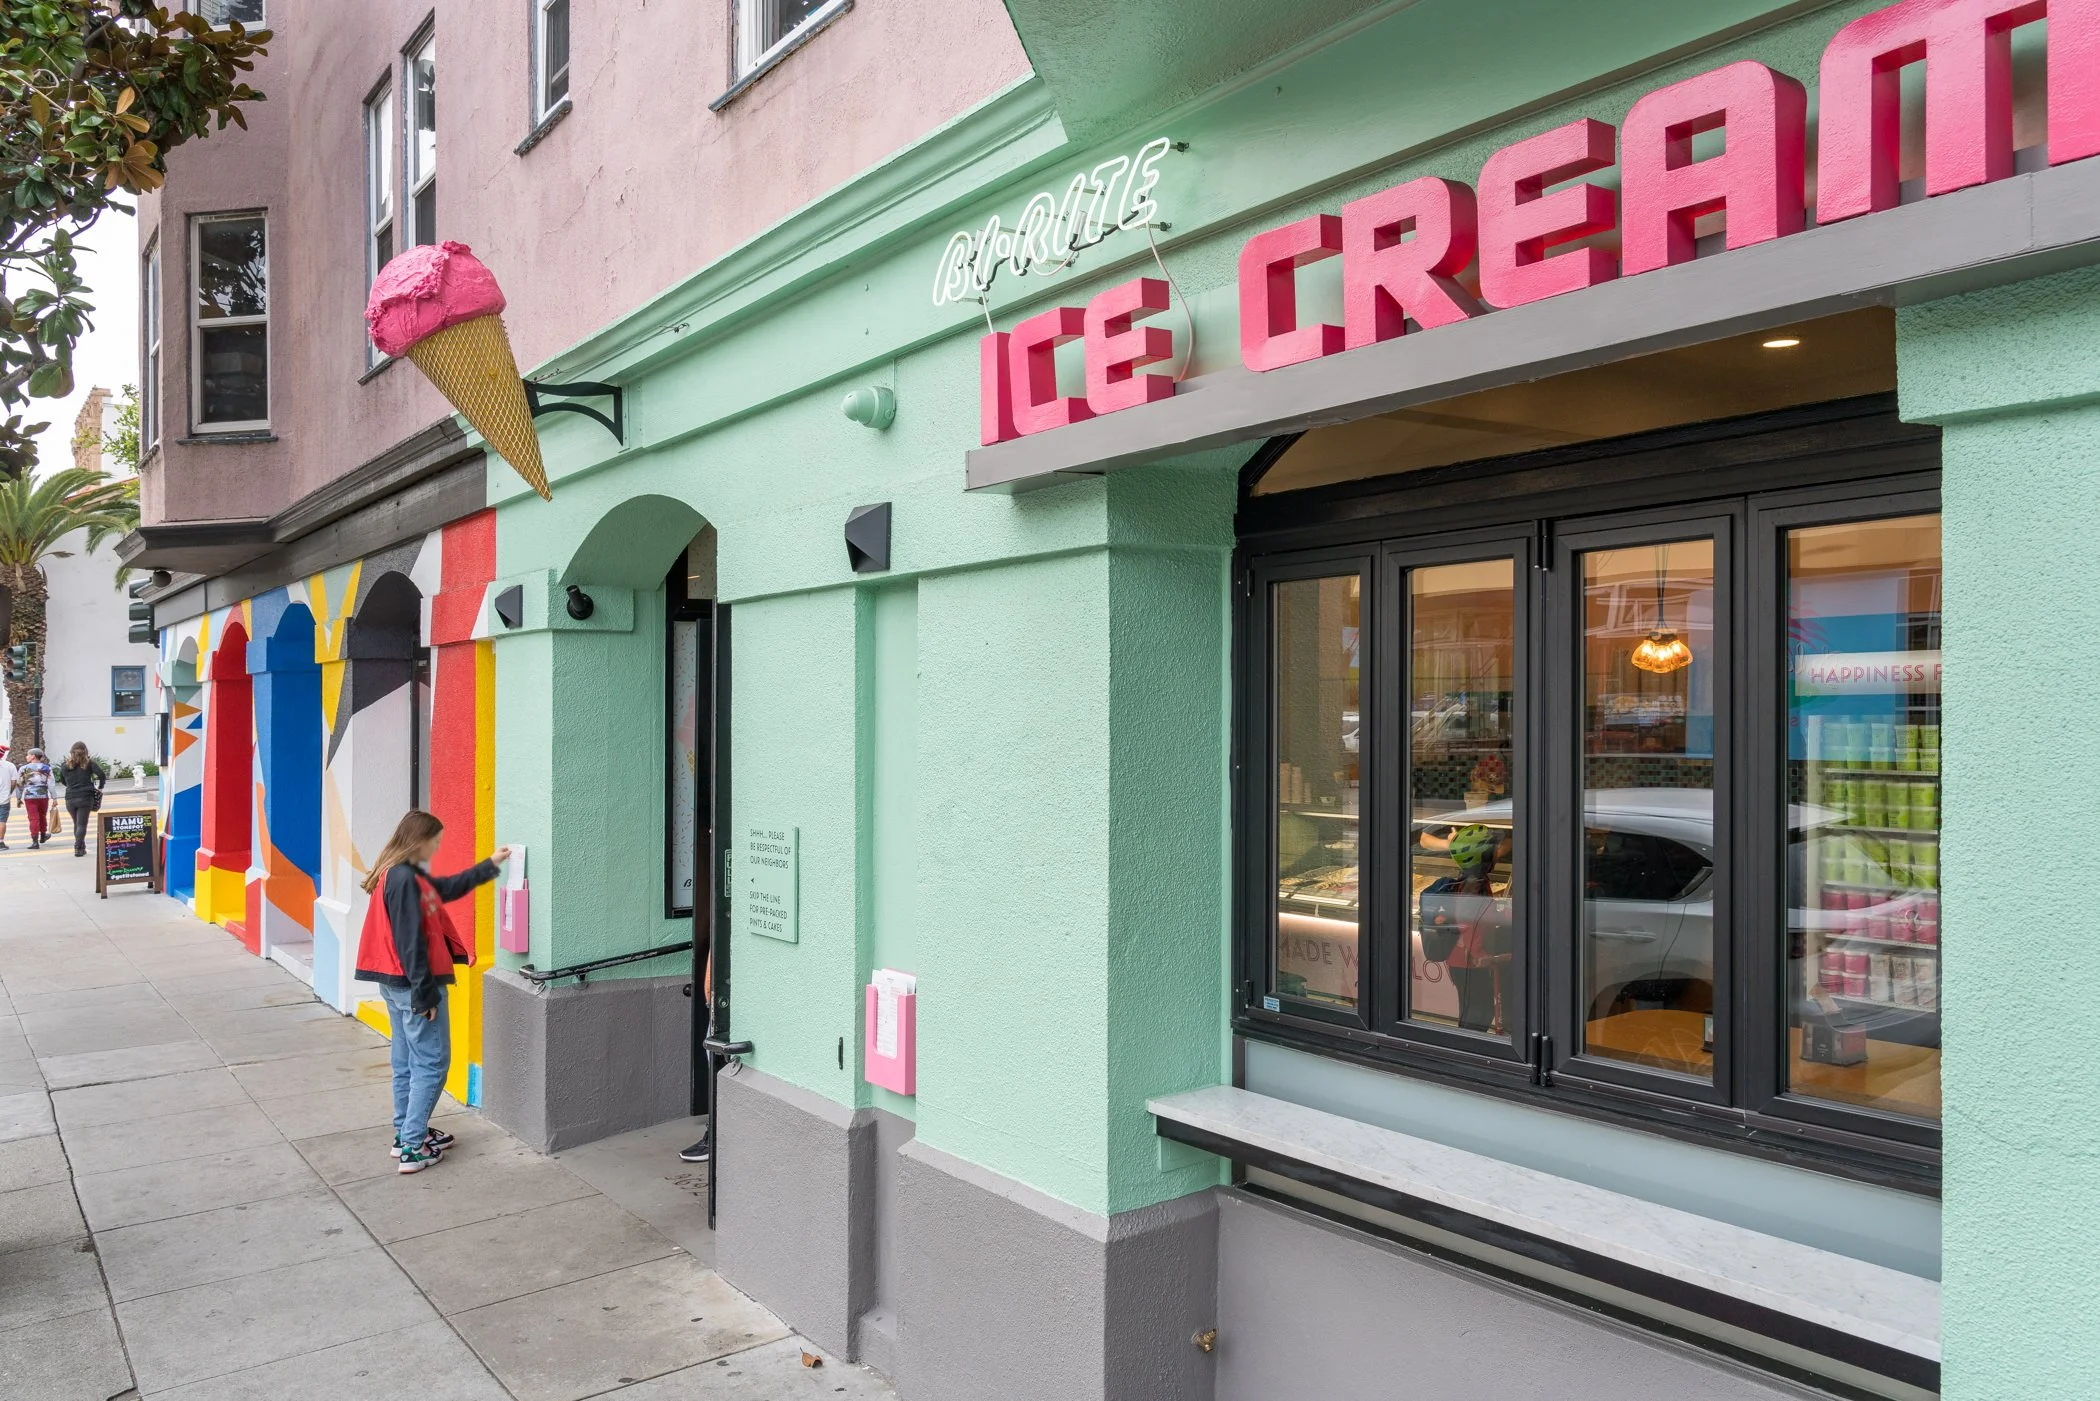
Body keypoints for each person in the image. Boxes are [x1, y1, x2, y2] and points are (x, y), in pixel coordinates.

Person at [354, 810, 509, 1174]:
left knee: (406, 1063)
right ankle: (412, 1146)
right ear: (419, 840)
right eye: (435, 841)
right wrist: (425, 995)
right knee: (432, 1064)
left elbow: (448, 889)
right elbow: (412, 942)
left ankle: (405, 1135)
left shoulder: (394, 874)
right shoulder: (405, 879)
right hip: (414, 986)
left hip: (393, 983)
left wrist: (491, 864)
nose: (437, 848)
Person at [1421, 824, 1514, 1034]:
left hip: (1461, 958)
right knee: (1477, 1014)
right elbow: (1473, 926)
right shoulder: (1474, 889)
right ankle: (1467, 1052)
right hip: (1470, 961)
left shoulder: (1471, 882)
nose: (1497, 855)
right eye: (1494, 852)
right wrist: (1485, 956)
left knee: (1474, 1010)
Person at [53, 743, 106, 858]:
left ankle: (81, 847)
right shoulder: (89, 764)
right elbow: (102, 775)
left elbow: (62, 780)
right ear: (85, 751)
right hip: (86, 796)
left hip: (70, 797)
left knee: (76, 823)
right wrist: (100, 787)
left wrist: (71, 785)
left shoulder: (64, 765)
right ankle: (78, 847)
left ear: (71, 751)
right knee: (82, 824)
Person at [16, 749, 53, 850]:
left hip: (30, 796)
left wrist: (18, 798)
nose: (26, 757)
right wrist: (54, 797)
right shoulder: (47, 768)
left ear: (33, 756)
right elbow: (51, 784)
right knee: (42, 815)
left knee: (33, 818)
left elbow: (19, 785)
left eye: (28, 755)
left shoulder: (23, 769)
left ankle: (35, 841)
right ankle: (43, 835)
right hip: (43, 796)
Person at [0, 745, 16, 850]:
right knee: (2, 821)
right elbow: (14, 782)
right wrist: (9, 792)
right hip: (4, 798)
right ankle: (1, 842)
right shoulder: (10, 766)